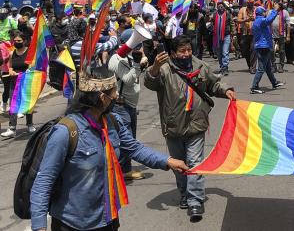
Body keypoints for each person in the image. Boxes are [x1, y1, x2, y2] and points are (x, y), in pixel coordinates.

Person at [30, 68, 189, 231]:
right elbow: (44, 180)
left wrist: (168, 161)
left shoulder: (112, 121)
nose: (116, 97)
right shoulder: (65, 132)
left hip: (107, 217)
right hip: (73, 224)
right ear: (102, 98)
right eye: (113, 93)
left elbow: (135, 149)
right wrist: (39, 226)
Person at [144, 35, 236, 219]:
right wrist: (154, 67)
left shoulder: (200, 66)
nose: (186, 54)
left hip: (196, 123)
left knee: (195, 163)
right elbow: (150, 82)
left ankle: (195, 201)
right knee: (179, 165)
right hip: (173, 126)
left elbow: (214, 83)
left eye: (189, 50)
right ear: (173, 53)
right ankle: (184, 193)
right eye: (182, 51)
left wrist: (225, 90)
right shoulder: (164, 69)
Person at [108, 29, 149, 180]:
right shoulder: (117, 59)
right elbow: (129, 80)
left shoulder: (132, 58)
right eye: (137, 45)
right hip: (120, 106)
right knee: (124, 140)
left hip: (130, 105)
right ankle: (117, 173)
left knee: (129, 139)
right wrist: (138, 64)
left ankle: (125, 171)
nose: (140, 48)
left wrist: (140, 62)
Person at [1, 31, 34, 137]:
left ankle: (30, 124)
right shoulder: (12, 53)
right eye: (15, 41)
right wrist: (11, 71)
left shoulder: (29, 52)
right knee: (13, 105)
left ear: (24, 41)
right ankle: (12, 128)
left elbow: (32, 66)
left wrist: (25, 73)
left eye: (19, 41)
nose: (16, 42)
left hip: (26, 82)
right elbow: (10, 65)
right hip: (14, 82)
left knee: (28, 103)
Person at [250, 5, 285, 94]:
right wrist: (275, 10)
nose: (266, 13)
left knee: (268, 68)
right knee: (261, 68)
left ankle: (274, 82)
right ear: (262, 13)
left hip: (262, 46)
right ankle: (254, 87)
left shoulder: (256, 21)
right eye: (265, 11)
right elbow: (269, 20)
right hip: (263, 47)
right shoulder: (261, 20)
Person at [212, 2, 234, 76]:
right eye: (219, 6)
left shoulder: (227, 14)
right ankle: (221, 66)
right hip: (217, 37)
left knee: (225, 52)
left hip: (226, 36)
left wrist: (233, 33)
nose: (220, 8)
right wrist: (207, 15)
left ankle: (225, 67)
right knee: (219, 53)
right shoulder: (214, 14)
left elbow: (232, 24)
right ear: (217, 7)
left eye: (222, 6)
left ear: (224, 7)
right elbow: (209, 20)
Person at [237, 0, 258, 74]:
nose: (250, 4)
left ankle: (253, 67)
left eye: (251, 2)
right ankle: (250, 65)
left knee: (253, 49)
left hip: (254, 33)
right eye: (249, 3)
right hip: (245, 33)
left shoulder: (256, 9)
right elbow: (238, 20)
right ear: (247, 3)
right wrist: (246, 20)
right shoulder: (242, 10)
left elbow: (262, 18)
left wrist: (255, 19)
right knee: (245, 51)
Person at [270, 0, 291, 73]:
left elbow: (288, 25)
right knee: (271, 50)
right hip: (272, 34)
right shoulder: (271, 12)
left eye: (276, 4)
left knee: (282, 51)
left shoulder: (285, 12)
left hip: (282, 35)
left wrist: (288, 35)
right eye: (275, 4)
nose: (275, 5)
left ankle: (281, 66)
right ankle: (273, 65)